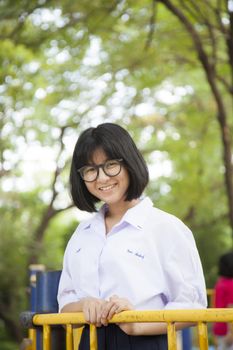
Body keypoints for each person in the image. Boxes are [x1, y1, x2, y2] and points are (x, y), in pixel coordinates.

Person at [57, 122, 207, 350]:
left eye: (110, 165)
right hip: (90, 342)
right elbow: (64, 304)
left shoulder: (166, 227)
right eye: (90, 170)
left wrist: (136, 322)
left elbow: (194, 307)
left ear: (129, 164)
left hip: (144, 341)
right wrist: (85, 304)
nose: (102, 178)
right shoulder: (82, 235)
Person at [213, 252, 233, 350]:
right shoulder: (231, 284)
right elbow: (231, 307)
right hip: (228, 332)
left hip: (220, 329)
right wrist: (231, 334)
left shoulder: (220, 283)